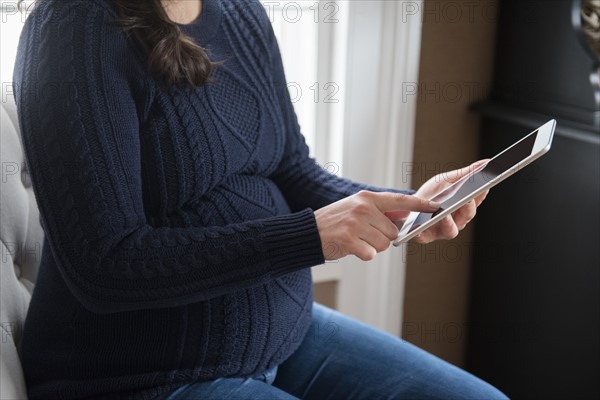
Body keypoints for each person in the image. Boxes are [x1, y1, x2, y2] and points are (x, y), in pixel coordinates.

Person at [12, 0, 508, 399]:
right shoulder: (71, 29)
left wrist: (408, 206)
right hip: (141, 374)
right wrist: (307, 237)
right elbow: (106, 264)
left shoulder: (241, 12)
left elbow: (291, 168)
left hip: (286, 334)